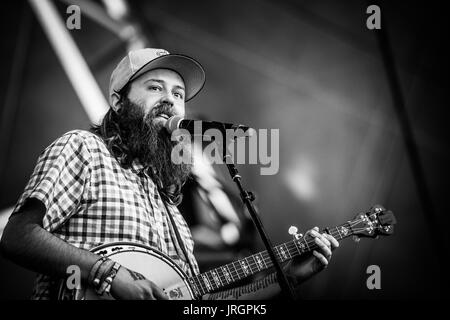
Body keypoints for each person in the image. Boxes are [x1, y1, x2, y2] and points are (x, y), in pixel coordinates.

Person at [0, 48, 339, 300]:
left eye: (178, 94)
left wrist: (287, 278)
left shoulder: (173, 214)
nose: (170, 100)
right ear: (118, 103)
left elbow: (201, 303)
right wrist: (110, 274)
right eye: (155, 88)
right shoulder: (84, 149)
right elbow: (17, 236)